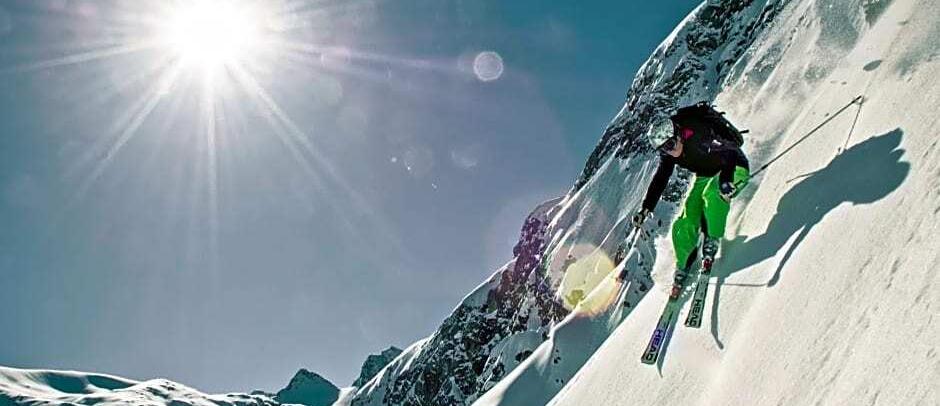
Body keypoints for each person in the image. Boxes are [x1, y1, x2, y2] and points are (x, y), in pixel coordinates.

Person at [631, 105, 750, 299]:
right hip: (705, 175)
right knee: (684, 222)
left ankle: (712, 239)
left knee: (713, 194)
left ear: (678, 134)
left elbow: (729, 152)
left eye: (671, 144)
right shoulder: (670, 154)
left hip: (734, 168)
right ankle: (684, 263)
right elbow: (660, 179)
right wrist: (646, 208)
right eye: (664, 149)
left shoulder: (698, 135)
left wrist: (726, 180)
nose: (671, 151)